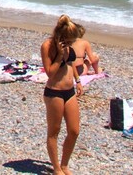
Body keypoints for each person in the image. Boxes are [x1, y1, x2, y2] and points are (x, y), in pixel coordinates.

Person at [41, 15, 83, 175]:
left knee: (74, 130)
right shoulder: (47, 46)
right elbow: (50, 73)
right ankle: (57, 168)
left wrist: (78, 80)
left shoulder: (68, 46)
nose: (72, 43)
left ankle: (65, 164)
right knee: (54, 131)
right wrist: (59, 55)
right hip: (54, 93)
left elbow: (71, 63)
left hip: (69, 92)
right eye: (70, 40)